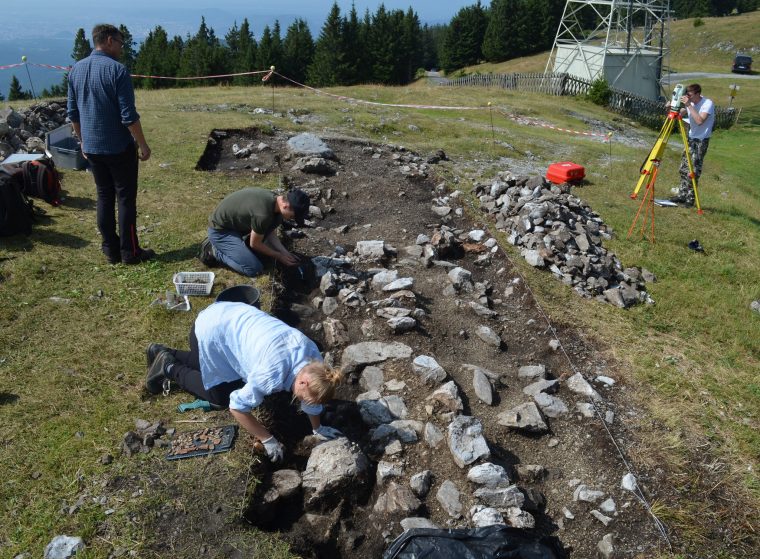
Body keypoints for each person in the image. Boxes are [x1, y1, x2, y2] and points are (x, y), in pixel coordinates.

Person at [144, 301, 343, 462]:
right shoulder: (270, 376)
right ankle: (169, 368)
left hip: (230, 315)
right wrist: (268, 439)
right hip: (208, 330)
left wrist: (318, 429)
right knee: (219, 396)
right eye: (304, 399)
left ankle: (166, 353)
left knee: (215, 368)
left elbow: (313, 400)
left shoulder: (313, 358)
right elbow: (237, 407)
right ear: (302, 383)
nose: (303, 403)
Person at [67, 23, 155, 265]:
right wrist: (143, 145)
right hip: (118, 147)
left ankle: (110, 249)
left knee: (104, 196)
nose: (122, 48)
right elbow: (128, 116)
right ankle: (130, 252)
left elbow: (73, 113)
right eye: (120, 42)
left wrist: (83, 141)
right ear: (107, 40)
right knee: (125, 199)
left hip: (92, 147)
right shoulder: (117, 70)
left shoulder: (75, 70)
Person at [199, 187, 309, 277]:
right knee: (254, 269)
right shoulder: (263, 214)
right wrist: (279, 256)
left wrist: (284, 252)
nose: (293, 219)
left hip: (236, 227)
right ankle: (215, 251)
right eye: (294, 216)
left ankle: (236, 246)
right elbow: (255, 244)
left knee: (276, 221)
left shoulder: (276, 202)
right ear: (286, 205)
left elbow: (270, 231)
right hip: (220, 231)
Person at [670, 84, 715, 207]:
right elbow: (678, 114)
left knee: (693, 170)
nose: (687, 97)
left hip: (701, 140)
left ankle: (690, 199)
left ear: (697, 93)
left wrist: (689, 105)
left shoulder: (707, 104)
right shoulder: (691, 103)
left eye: (689, 95)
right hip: (690, 138)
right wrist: (673, 106)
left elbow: (700, 121)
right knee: (683, 168)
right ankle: (682, 195)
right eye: (686, 95)